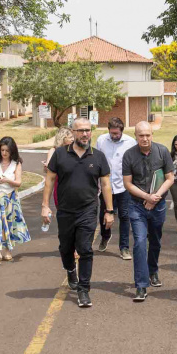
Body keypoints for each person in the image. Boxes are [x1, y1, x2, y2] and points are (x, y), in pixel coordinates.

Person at [41, 117, 114, 308]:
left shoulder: (98, 156)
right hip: (65, 210)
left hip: (88, 210)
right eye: (80, 130)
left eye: (87, 130)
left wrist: (109, 210)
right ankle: (70, 268)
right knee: (66, 248)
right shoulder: (59, 154)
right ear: (73, 133)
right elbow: (49, 180)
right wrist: (45, 205)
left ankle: (84, 289)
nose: (84, 134)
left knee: (85, 249)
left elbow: (106, 184)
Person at [121, 121, 174, 302]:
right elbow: (127, 183)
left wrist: (156, 197)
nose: (144, 138)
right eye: (141, 135)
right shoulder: (129, 155)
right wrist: (146, 197)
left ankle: (153, 271)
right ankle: (141, 285)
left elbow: (170, 178)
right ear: (136, 136)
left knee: (155, 241)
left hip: (157, 205)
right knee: (139, 243)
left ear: (152, 134)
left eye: (147, 135)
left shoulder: (162, 151)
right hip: (137, 206)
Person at [0, 137, 31, 265]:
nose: (4, 153)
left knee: (7, 224)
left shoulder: (16, 163)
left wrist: (6, 180)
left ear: (12, 151)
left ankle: (8, 250)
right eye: (2, 150)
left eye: (7, 150)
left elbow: (18, 182)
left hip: (9, 198)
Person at [95, 117, 137, 258]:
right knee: (103, 215)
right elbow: (96, 162)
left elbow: (134, 164)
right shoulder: (101, 140)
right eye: (112, 133)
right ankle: (105, 236)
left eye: (117, 134)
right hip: (105, 186)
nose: (114, 136)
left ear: (122, 131)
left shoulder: (131, 142)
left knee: (125, 216)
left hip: (123, 186)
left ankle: (124, 247)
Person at [44, 127, 74, 208]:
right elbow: (48, 168)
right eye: (70, 137)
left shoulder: (74, 150)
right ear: (63, 138)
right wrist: (47, 165)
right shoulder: (54, 151)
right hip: (60, 184)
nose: (73, 139)